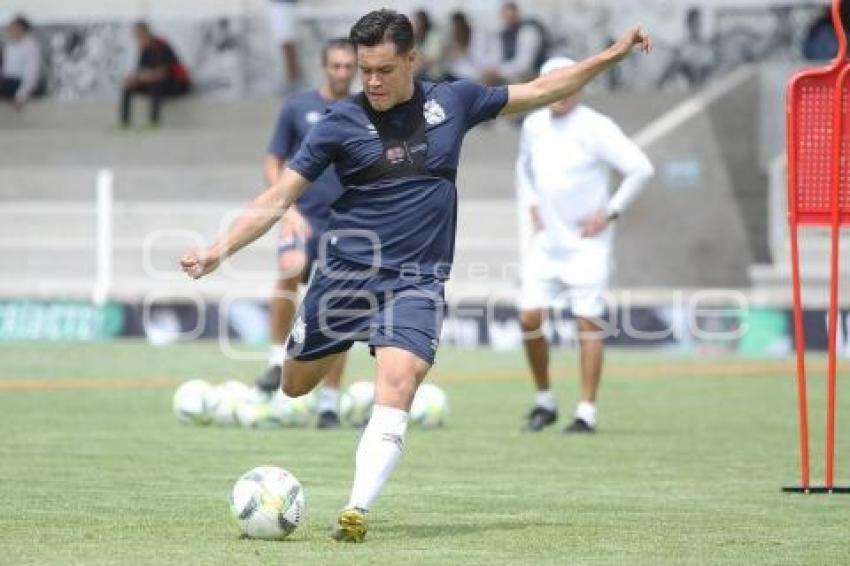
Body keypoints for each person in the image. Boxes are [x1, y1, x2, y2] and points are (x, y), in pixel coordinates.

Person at [180, 9, 651, 542]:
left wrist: (612, 55)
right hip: (344, 279)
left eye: (384, 69)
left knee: (399, 385)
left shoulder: (453, 101)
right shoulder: (340, 123)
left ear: (412, 59)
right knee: (293, 386)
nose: (373, 82)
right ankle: (336, 342)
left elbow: (543, 89)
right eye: (365, 71)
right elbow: (277, 197)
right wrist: (220, 249)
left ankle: (355, 510)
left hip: (416, 281)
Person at [517, 56, 654, 434]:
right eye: (552, 82)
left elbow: (641, 168)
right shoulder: (532, 125)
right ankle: (544, 399)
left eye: (567, 81)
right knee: (529, 318)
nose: (559, 91)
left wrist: (610, 212)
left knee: (586, 323)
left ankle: (586, 412)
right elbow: (524, 168)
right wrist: (531, 203)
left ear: (580, 84)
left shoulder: (596, 126)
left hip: (587, 245)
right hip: (547, 243)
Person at [254, 38, 357, 430]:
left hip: (346, 225)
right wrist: (287, 207)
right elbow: (273, 159)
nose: (343, 73)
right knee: (287, 274)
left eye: (349, 67)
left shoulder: (363, 110)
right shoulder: (298, 107)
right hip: (303, 217)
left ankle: (329, 403)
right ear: (324, 66)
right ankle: (276, 358)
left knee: (340, 311)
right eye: (336, 66)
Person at [120, 21, 190, 127]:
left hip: (178, 85)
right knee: (128, 87)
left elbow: (162, 74)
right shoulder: (144, 49)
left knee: (155, 84)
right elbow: (141, 71)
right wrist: (132, 79)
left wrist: (143, 77)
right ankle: (124, 123)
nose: (136, 38)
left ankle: (153, 122)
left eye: (138, 35)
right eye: (135, 36)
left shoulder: (161, 45)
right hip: (159, 84)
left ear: (146, 33)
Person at [482, 2, 550, 85]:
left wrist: (499, 72)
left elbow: (524, 65)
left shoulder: (528, 31)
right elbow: (495, 57)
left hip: (532, 75)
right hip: (509, 75)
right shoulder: (502, 34)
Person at [0, 15, 44, 108]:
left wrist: (22, 94)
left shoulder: (30, 47)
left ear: (20, 29)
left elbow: (31, 73)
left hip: (19, 84)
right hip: (7, 82)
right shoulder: (9, 45)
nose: (9, 30)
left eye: (12, 27)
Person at [267, 0, 302, 90]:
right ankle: (290, 79)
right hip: (278, 5)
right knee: (283, 42)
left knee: (288, 42)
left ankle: (293, 80)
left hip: (285, 5)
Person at [411, 9, 443, 81]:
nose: (416, 24)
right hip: (420, 74)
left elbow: (432, 58)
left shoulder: (434, 36)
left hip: (433, 76)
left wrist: (418, 63)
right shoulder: (415, 38)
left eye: (418, 21)